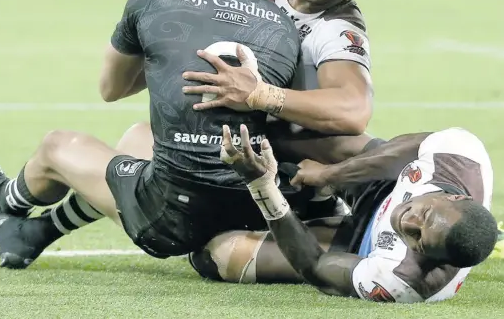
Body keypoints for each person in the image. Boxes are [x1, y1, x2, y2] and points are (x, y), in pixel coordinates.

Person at [0, 0, 307, 269]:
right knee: (138, 139)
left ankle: (4, 201)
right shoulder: (283, 25)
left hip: (172, 217)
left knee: (57, 146)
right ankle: (34, 234)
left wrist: (168, 57)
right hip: (251, 209)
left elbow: (111, 88)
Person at [120, 0, 383, 217]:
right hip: (221, 125)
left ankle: (348, 208)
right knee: (137, 139)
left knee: (361, 148)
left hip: (284, 140)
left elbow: (354, 109)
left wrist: (259, 95)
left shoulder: (338, 28)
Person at [190, 125, 498, 303]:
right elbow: (402, 148)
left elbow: (316, 266)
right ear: (457, 196)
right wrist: (329, 175)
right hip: (384, 185)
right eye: (426, 214)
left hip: (365, 246)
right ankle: (319, 192)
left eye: (417, 239)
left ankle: (311, 206)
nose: (408, 222)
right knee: (282, 131)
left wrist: (261, 186)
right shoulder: (461, 156)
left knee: (217, 256)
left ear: (432, 259)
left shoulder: (400, 281)